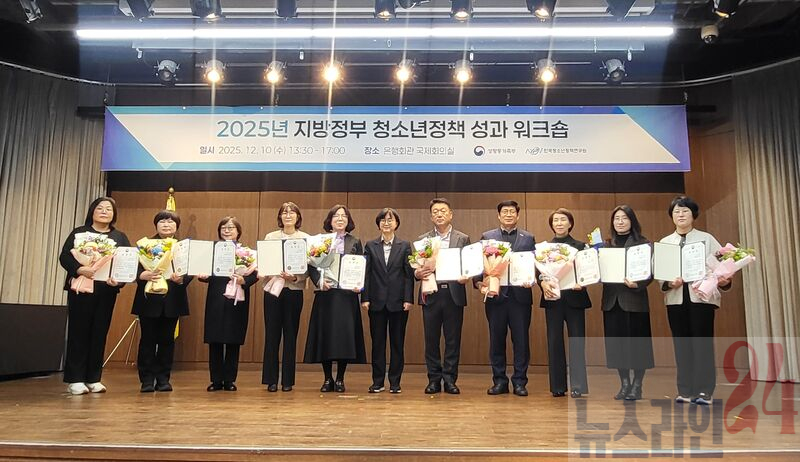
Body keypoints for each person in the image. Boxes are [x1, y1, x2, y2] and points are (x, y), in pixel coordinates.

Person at [659, 195, 731, 405]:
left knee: (702, 345)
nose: (681, 215)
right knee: (681, 346)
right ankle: (685, 390)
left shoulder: (707, 239)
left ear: (693, 215)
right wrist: (669, 283)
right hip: (676, 300)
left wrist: (725, 280)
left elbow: (723, 269)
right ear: (671, 216)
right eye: (676, 211)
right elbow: (660, 274)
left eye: (685, 211)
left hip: (701, 300)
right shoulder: (665, 243)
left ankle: (704, 391)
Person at [58, 196, 131, 395]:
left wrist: (119, 281)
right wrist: (80, 269)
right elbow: (64, 256)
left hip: (106, 291)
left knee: (99, 332)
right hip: (81, 289)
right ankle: (75, 379)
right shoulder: (79, 233)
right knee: (78, 332)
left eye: (109, 209)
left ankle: (93, 378)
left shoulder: (119, 237)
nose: (104, 211)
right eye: (100, 208)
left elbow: (126, 263)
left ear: (114, 214)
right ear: (92, 211)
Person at [475, 200, 535, 397]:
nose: (508, 215)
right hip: (496, 297)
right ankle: (499, 381)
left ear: (518, 215)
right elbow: (479, 264)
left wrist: (532, 280)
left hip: (520, 297)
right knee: (496, 340)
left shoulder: (528, 238)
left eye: (512, 212)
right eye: (505, 212)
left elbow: (534, 265)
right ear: (498, 215)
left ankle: (520, 382)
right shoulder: (488, 237)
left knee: (521, 341)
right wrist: (479, 283)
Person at [304, 205, 367, 393]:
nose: (340, 219)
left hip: (346, 296)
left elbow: (360, 265)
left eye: (344, 216)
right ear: (330, 221)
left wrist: (358, 284)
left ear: (348, 220)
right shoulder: (320, 241)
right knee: (325, 336)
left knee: (344, 338)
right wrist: (319, 281)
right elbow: (311, 266)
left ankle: (340, 378)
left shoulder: (355, 241)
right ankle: (327, 378)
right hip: (326, 295)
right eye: (336, 216)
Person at [415, 198, 471, 395]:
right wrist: (417, 273)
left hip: (453, 294)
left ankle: (449, 380)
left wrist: (467, 276)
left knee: (452, 340)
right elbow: (416, 267)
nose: (439, 214)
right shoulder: (423, 240)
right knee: (431, 340)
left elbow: (468, 264)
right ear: (431, 217)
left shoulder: (462, 238)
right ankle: (433, 379)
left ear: (450, 214)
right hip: (431, 293)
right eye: (435, 212)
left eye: (443, 211)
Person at [132, 210, 192, 393]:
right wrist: (142, 275)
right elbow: (132, 269)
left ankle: (163, 379)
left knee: (167, 341)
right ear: (156, 225)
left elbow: (191, 269)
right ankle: (146, 380)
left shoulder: (182, 247)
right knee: (147, 340)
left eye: (171, 222)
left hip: (173, 299)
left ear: (177, 226)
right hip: (149, 299)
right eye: (162, 221)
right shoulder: (145, 246)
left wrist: (182, 279)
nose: (166, 225)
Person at [601, 205, 654, 401]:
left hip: (635, 300)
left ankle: (637, 385)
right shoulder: (606, 245)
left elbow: (651, 272)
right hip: (611, 302)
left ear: (632, 221)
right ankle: (624, 384)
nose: (620, 222)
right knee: (617, 346)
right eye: (617, 218)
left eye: (624, 218)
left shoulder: (644, 244)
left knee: (638, 346)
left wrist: (637, 284)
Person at [200, 216, 258, 392]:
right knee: (215, 339)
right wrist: (203, 275)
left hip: (237, 297)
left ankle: (229, 380)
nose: (227, 230)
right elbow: (204, 271)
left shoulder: (247, 253)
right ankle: (216, 380)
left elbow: (254, 274)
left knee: (233, 339)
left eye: (231, 227)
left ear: (238, 232)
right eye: (223, 227)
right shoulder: (211, 250)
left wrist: (243, 280)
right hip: (216, 296)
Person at [361, 207, 414, 394]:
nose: (386, 223)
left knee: (397, 344)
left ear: (396, 224)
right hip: (376, 302)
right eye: (383, 220)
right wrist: (365, 298)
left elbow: (408, 275)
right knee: (377, 344)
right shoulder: (370, 245)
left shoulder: (405, 245)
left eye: (390, 220)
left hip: (398, 302)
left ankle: (395, 382)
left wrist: (408, 298)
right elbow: (366, 274)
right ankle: (377, 382)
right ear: (378, 224)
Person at [540, 208, 591, 398]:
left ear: (570, 223)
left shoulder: (581, 246)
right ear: (552, 225)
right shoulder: (544, 248)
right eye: (556, 220)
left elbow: (589, 270)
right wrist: (542, 283)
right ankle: (557, 386)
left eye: (563, 220)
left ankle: (578, 385)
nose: (559, 223)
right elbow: (539, 273)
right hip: (553, 299)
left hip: (575, 299)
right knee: (554, 342)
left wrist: (583, 282)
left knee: (577, 342)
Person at [261, 202, 309, 392]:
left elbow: (309, 268)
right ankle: (271, 380)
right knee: (271, 335)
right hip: (273, 290)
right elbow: (264, 262)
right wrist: (269, 270)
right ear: (280, 217)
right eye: (284, 212)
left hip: (293, 291)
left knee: (291, 335)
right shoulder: (270, 237)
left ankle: (288, 380)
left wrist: (295, 277)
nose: (288, 215)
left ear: (298, 217)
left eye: (292, 212)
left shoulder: (305, 239)